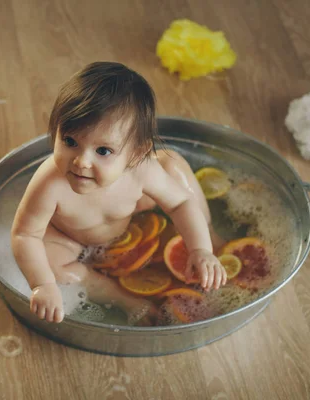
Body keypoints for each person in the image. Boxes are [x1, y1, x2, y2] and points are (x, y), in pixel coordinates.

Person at [11, 61, 227, 325]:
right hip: (69, 237)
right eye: (70, 142)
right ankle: (122, 299)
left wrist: (199, 248)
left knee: (172, 164)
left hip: (129, 212)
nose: (81, 162)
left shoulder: (141, 170)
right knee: (51, 263)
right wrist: (41, 284)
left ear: (136, 154)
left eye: (102, 151)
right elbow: (25, 234)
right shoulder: (50, 183)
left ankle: (212, 241)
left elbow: (181, 202)